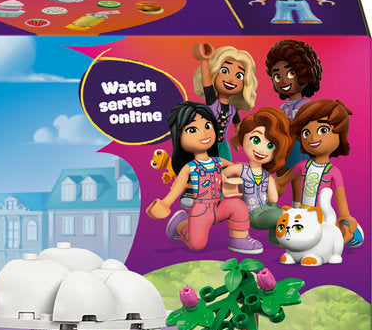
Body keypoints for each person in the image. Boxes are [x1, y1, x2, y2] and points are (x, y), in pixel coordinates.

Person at [145, 101, 250, 251]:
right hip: (201, 212)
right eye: (193, 130)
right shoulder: (189, 168)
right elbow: (177, 189)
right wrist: (165, 204)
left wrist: (247, 172)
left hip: (219, 207)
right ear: (178, 137)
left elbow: (236, 168)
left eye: (207, 126)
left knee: (238, 206)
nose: (204, 133)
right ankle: (181, 224)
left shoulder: (218, 161)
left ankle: (239, 240)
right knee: (197, 245)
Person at [276, 100, 362, 247]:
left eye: (322, 130)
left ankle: (348, 233)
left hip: (323, 216)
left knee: (325, 239)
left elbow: (340, 197)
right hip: (302, 214)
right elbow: (281, 181)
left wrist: (345, 216)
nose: (312, 138)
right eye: (306, 132)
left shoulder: (333, 172)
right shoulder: (302, 165)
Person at [228, 106, 294, 244]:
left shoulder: (266, 175)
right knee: (282, 216)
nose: (262, 150)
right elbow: (222, 174)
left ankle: (275, 237)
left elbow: (274, 199)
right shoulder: (241, 169)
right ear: (243, 138)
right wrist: (229, 186)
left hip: (268, 209)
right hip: (252, 214)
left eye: (270, 146)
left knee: (287, 214)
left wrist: (272, 184)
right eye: (256, 140)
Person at [191, 42, 259, 158]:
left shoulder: (233, 109)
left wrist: (238, 137)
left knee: (227, 166)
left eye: (239, 76)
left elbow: (238, 125)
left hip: (223, 145)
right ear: (214, 72)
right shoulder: (212, 102)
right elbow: (207, 83)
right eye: (224, 71)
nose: (231, 79)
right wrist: (205, 61)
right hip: (207, 143)